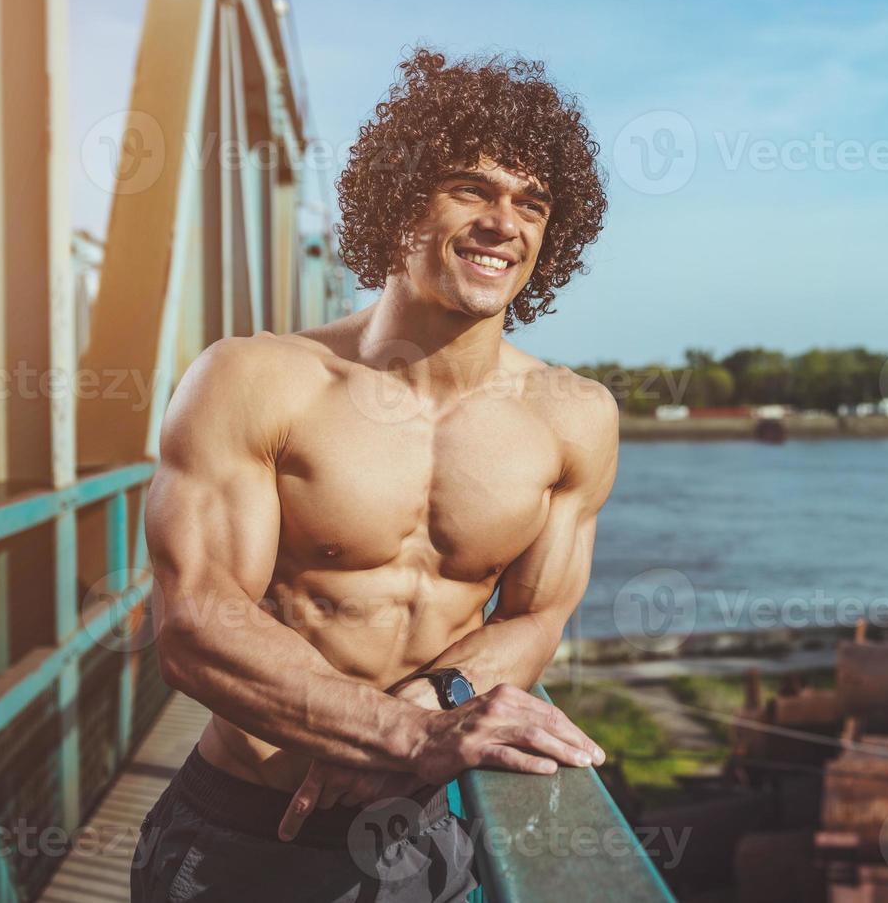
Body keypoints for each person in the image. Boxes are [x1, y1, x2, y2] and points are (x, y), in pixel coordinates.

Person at [130, 47, 617, 902]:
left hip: (428, 836)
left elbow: (538, 615)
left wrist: (434, 705)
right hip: (249, 830)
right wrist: (403, 736)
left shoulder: (574, 417)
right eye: (471, 188)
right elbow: (195, 622)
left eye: (532, 203)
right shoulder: (255, 378)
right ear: (398, 204)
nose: (506, 222)